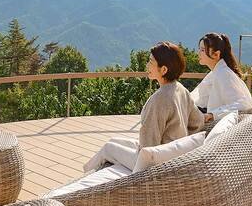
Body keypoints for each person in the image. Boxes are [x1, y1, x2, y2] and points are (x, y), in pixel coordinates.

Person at [83, 41, 204, 172]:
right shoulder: (181, 89)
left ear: (163, 70)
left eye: (151, 62)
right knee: (113, 140)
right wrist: (180, 144)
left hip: (157, 162)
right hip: (173, 154)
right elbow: (197, 122)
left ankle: (84, 177)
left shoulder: (159, 99)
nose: (147, 65)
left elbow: (148, 146)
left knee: (108, 148)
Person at [191, 32, 252, 123]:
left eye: (202, 50)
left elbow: (243, 104)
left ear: (216, 54)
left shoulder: (224, 74)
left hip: (216, 125)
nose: (199, 53)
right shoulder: (216, 72)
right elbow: (199, 99)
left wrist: (212, 115)